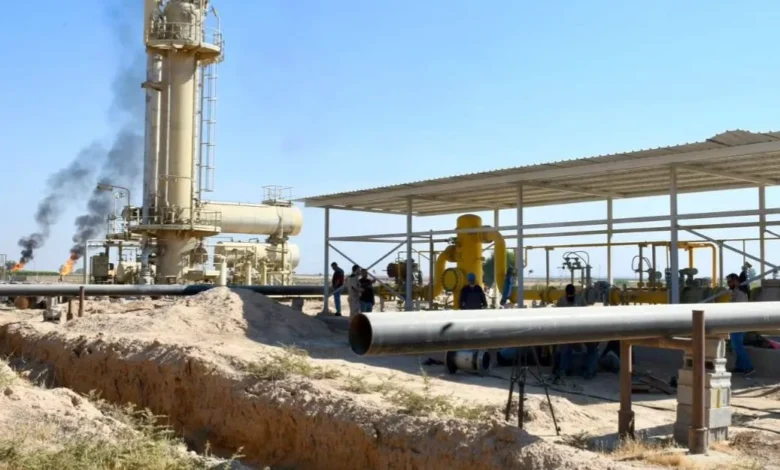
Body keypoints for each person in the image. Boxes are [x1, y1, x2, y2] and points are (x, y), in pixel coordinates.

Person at [556, 284, 599, 380]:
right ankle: (589, 370)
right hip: (573, 330)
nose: (570, 297)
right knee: (567, 348)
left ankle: (567, 369)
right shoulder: (567, 301)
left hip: (576, 330)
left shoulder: (565, 301)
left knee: (590, 347)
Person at [727, 273, 754, 376]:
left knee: (737, 346)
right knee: (736, 345)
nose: (728, 284)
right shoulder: (736, 292)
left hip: (739, 322)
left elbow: (738, 308)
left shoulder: (741, 293)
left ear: (735, 281)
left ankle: (749, 367)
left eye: (729, 282)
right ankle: (739, 366)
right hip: (736, 322)